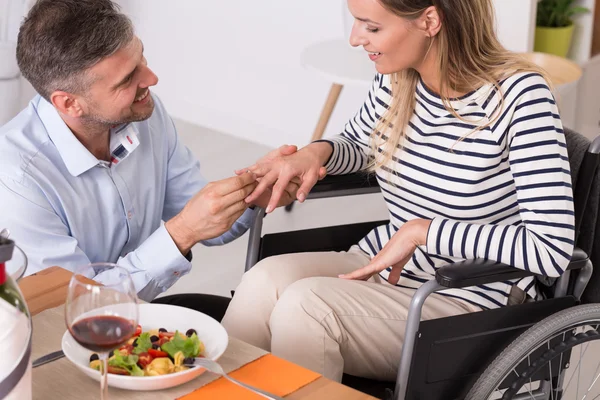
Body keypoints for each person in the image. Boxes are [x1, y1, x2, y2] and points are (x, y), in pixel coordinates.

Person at [222, 0, 575, 382]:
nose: (356, 39)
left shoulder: (521, 96)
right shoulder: (396, 76)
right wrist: (314, 153)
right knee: (264, 281)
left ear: (429, 20)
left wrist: (425, 231)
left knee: (306, 307)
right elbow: (360, 143)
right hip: (390, 266)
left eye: (371, 27)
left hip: (469, 298)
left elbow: (550, 249)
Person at [0, 0, 299, 315]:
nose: (151, 79)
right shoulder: (17, 180)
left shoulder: (144, 116)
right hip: (54, 343)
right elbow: (78, 310)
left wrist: (255, 191)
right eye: (128, 79)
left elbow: (205, 220)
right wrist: (182, 232)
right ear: (70, 103)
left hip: (132, 316)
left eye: (141, 58)